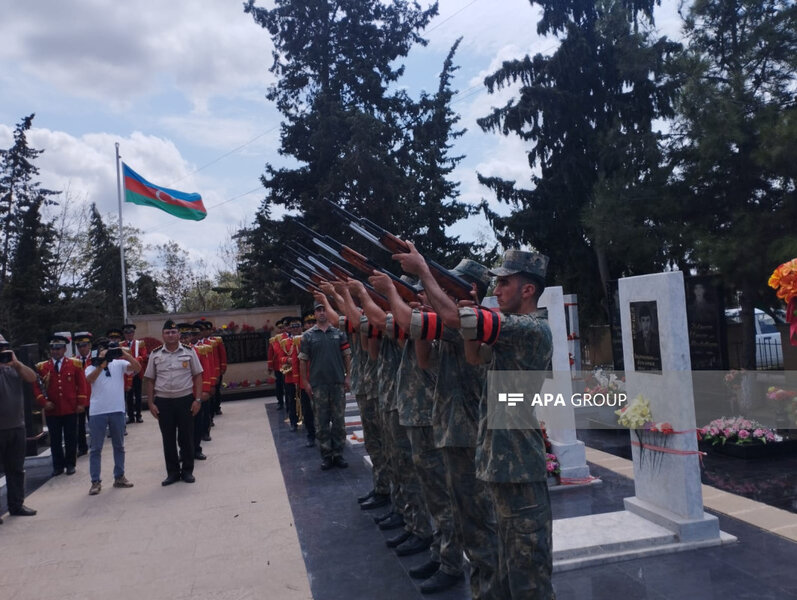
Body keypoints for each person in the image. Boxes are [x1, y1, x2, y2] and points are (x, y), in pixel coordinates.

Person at [458, 249, 555, 600]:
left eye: (504, 282)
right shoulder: (509, 335)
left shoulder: (532, 329)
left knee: (528, 575)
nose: (496, 290)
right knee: (502, 568)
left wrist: (425, 272)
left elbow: (469, 322)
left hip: (519, 472)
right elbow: (472, 355)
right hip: (497, 465)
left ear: (527, 290)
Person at [143, 319, 204, 485]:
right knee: (168, 438)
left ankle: (187, 471)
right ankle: (172, 473)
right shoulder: (156, 354)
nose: (170, 335)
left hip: (184, 400)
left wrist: (197, 399)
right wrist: (150, 403)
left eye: (173, 332)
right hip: (163, 402)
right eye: (167, 332)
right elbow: (149, 379)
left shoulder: (189, 352)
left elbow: (198, 375)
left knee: (186, 437)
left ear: (178, 334)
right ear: (163, 335)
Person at [298, 300, 351, 470]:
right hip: (318, 385)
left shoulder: (339, 334)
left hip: (337, 383)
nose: (322, 313)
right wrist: (305, 382)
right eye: (318, 310)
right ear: (314, 314)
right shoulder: (308, 336)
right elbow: (303, 360)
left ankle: (338, 454)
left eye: (324, 310)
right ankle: (327, 455)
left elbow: (346, 356)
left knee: (338, 421)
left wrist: (348, 376)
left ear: (328, 312)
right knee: (321, 422)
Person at [84, 337, 140, 495]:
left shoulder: (119, 364)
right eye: (105, 349)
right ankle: (95, 481)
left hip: (117, 409)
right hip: (97, 411)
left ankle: (119, 477)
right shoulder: (91, 366)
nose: (108, 351)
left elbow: (137, 368)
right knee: (96, 448)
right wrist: (102, 363)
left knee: (119, 446)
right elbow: (90, 379)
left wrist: (124, 354)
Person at [34, 334, 89, 477]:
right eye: (53, 348)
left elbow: (82, 385)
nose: (55, 351)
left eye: (58, 348)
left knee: (71, 438)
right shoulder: (42, 367)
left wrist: (81, 403)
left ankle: (70, 464)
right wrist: (44, 402)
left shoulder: (74, 364)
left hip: (70, 408)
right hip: (53, 410)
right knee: (55, 440)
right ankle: (58, 466)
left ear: (64, 349)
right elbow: (36, 387)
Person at [0, 334, 38, 520]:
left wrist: (17, 364)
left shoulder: (14, 368)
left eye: (3, 347)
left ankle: (16, 505)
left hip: (16, 426)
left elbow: (32, 378)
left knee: (16, 469)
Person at [121, 323, 147, 424]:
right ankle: (131, 416)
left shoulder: (139, 343)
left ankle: (139, 415)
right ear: (124, 334)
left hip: (137, 373)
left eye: (131, 332)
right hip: (126, 374)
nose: (129, 334)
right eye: (127, 332)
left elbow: (143, 356)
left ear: (133, 333)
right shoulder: (121, 345)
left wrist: (135, 360)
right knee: (129, 396)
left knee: (138, 395)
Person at [73, 331, 94, 456]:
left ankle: (96, 444)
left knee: (94, 424)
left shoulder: (95, 359)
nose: (82, 348)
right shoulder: (74, 361)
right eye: (79, 346)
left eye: (84, 345)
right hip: (80, 399)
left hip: (94, 397)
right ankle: (82, 447)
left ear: (89, 345)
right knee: (80, 426)